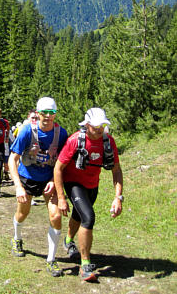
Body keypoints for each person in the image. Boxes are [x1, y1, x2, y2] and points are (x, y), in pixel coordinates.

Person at [54, 108, 124, 282]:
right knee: (88, 217)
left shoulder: (109, 141)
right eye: (95, 126)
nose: (99, 129)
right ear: (86, 125)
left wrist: (118, 197)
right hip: (73, 183)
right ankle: (85, 265)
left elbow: (116, 170)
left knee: (79, 215)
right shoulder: (75, 140)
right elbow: (58, 168)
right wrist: (61, 197)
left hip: (92, 185)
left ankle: (68, 240)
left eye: (102, 125)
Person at [8, 97, 68, 277]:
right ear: (37, 113)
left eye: (51, 113)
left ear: (55, 114)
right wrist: (18, 186)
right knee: (23, 213)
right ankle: (17, 238)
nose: (47, 116)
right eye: (44, 113)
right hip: (27, 178)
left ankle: (51, 259)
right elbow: (12, 159)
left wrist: (53, 181)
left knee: (56, 216)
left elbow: (63, 162)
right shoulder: (27, 131)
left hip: (49, 180)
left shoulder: (61, 134)